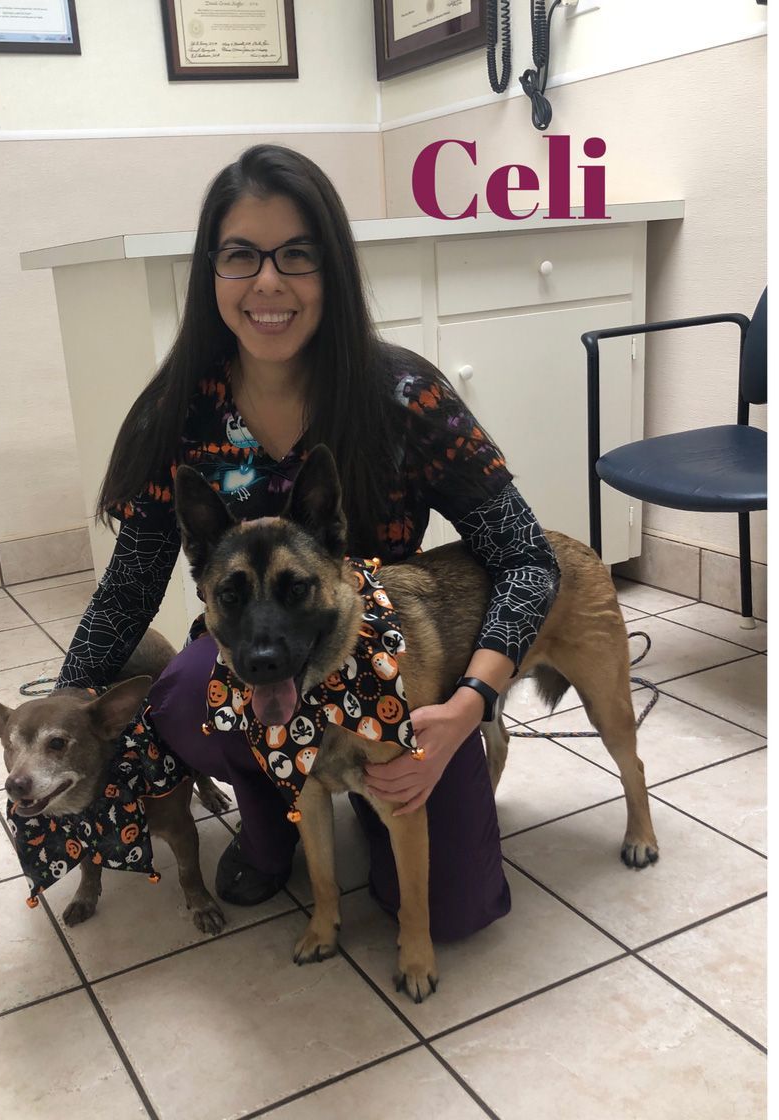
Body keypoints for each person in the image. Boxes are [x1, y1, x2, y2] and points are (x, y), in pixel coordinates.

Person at [54, 144, 560, 941]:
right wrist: (61, 716)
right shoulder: (176, 415)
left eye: (297, 255)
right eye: (240, 256)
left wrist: (472, 704)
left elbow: (529, 560)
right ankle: (275, 823)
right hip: (254, 674)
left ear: (333, 269)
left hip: (393, 674)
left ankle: (388, 779)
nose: (268, 283)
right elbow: (128, 590)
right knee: (185, 699)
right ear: (209, 273)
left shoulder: (406, 394)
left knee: (455, 913)